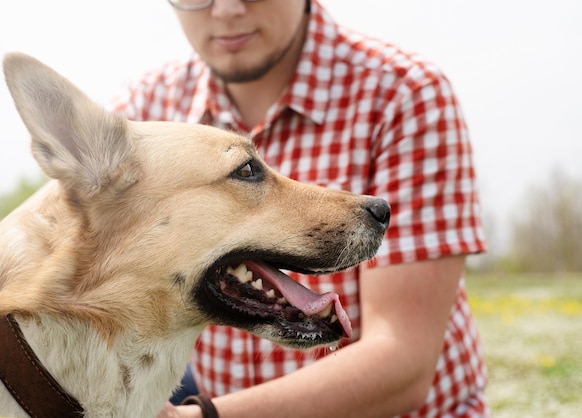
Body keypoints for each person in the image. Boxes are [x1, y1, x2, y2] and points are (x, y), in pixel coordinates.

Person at [111, 0, 489, 416]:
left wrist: (200, 417)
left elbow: (403, 358)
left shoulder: (405, 93)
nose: (226, 10)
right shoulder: (145, 116)